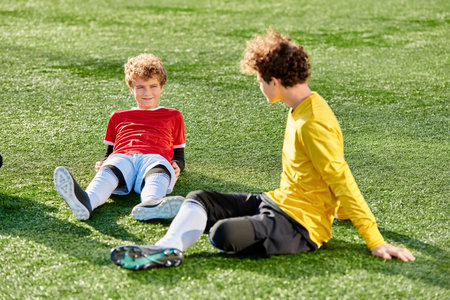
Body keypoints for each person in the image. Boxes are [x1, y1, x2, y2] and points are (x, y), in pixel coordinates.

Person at [110, 29, 415, 270]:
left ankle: (182, 232)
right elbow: (321, 170)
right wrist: (342, 211)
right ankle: (168, 248)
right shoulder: (302, 107)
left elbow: (340, 177)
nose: (259, 85)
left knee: (223, 234)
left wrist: (374, 241)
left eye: (260, 80)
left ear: (277, 81)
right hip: (277, 201)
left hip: (300, 228)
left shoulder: (314, 122)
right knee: (199, 198)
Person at [54, 54, 186, 221]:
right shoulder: (118, 116)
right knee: (110, 170)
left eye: (153, 86)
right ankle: (87, 201)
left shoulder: (173, 115)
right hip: (124, 156)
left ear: (161, 87)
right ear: (131, 89)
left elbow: (179, 155)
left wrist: (178, 166)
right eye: (140, 87)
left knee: (158, 173)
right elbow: (110, 152)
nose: (147, 93)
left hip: (156, 157)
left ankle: (151, 204)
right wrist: (104, 162)